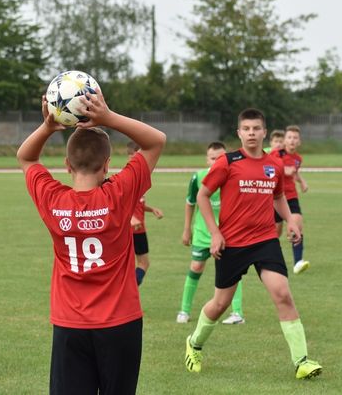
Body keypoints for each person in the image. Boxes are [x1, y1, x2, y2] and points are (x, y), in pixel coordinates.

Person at [17, 90, 165, 394]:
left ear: (67, 165)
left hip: (70, 324)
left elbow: (26, 156)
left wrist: (48, 125)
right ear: (108, 164)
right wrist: (107, 117)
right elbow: (156, 140)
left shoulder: (53, 200)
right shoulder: (118, 194)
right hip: (120, 322)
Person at [184, 108, 321, 380]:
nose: (251, 133)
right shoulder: (227, 161)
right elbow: (202, 195)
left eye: (256, 128)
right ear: (239, 133)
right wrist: (214, 233)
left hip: (265, 240)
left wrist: (291, 221)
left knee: (282, 293)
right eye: (246, 129)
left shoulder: (274, 164)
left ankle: (301, 361)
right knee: (220, 304)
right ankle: (195, 343)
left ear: (264, 132)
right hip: (232, 244)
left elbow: (279, 196)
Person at [177, 142, 245, 325]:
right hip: (202, 232)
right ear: (207, 159)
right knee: (196, 267)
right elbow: (190, 203)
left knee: (232, 271)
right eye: (213, 158)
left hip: (228, 233)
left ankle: (237, 313)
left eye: (220, 158)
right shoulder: (198, 178)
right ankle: (184, 310)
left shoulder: (235, 177)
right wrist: (187, 228)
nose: (216, 162)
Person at [270, 125, 309, 274]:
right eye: (290, 137)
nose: (292, 140)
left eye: (295, 138)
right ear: (285, 140)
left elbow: (295, 173)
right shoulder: (276, 155)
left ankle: (298, 262)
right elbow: (269, 171)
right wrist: (283, 170)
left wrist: (302, 182)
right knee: (275, 232)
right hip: (275, 198)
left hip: (291, 197)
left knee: (297, 224)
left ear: (299, 141)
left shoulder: (298, 159)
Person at [127, 141, 164, 286]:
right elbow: (118, 203)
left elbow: (138, 203)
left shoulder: (139, 176)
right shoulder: (129, 177)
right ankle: (128, 293)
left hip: (139, 229)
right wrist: (131, 218)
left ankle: (130, 292)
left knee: (144, 263)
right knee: (132, 265)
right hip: (130, 230)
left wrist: (151, 209)